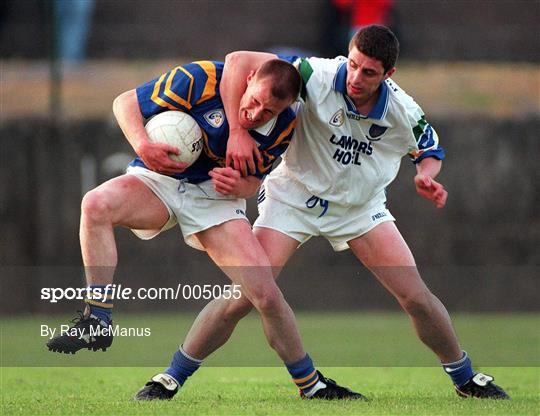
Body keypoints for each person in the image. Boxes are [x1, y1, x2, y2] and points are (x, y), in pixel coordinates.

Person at [168, 25, 510, 400]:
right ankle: (171, 377)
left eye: (369, 72)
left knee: (415, 297)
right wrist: (237, 130)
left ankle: (465, 377)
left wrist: (427, 177)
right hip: (292, 198)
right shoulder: (316, 74)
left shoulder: (402, 110)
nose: (356, 78)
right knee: (246, 294)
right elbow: (236, 62)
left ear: (388, 75)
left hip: (359, 209)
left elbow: (429, 153)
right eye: (353, 65)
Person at [46, 58, 364, 401]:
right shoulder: (201, 79)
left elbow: (254, 181)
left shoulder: (285, 124)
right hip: (158, 180)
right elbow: (125, 101)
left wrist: (239, 185)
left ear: (286, 107)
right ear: (250, 78)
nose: (256, 114)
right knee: (95, 204)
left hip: (215, 201)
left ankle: (311, 385)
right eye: (255, 101)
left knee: (266, 295)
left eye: (269, 111)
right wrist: (142, 144)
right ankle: (98, 318)